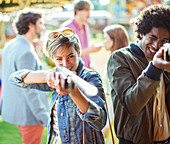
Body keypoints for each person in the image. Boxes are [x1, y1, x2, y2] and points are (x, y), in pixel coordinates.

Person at [9, 27, 107, 144]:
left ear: (79, 52)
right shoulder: (54, 77)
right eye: (59, 59)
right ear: (52, 59)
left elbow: (99, 121)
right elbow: (15, 79)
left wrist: (74, 91)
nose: (65, 64)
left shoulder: (90, 77)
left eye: (71, 56)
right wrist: (46, 77)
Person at [107, 4, 170, 144]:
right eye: (152, 37)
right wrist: (154, 69)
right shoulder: (120, 58)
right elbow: (132, 104)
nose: (156, 45)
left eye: (164, 41)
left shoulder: (166, 59)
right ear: (141, 33)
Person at [1, 11, 49, 144]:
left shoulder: (10, 45)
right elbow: (30, 90)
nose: (43, 27)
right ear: (31, 26)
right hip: (29, 114)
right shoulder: (26, 52)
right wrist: (43, 116)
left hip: (16, 109)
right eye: (41, 23)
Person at [102, 24, 129, 144]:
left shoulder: (117, 62)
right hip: (110, 111)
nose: (103, 42)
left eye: (105, 38)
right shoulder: (114, 58)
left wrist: (108, 122)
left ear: (115, 40)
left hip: (114, 114)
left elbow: (116, 96)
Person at [61, 0, 103, 69]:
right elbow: (67, 54)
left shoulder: (85, 26)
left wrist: (90, 65)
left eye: (89, 10)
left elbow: (85, 49)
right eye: (86, 10)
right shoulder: (67, 28)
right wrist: (89, 50)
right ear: (77, 11)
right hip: (73, 71)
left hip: (85, 70)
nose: (89, 13)